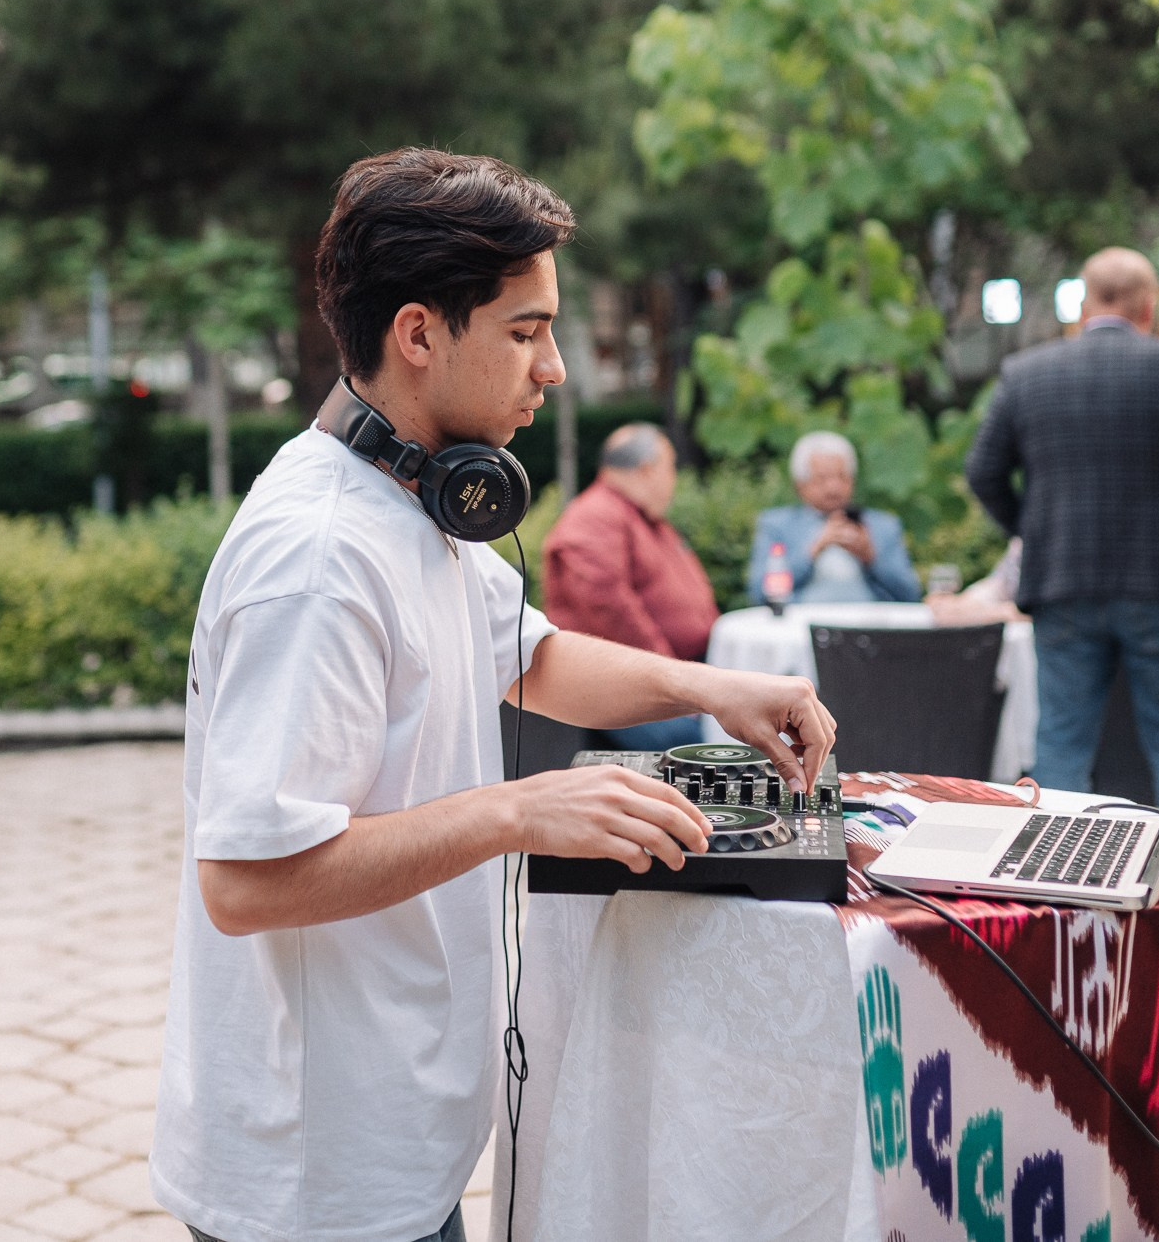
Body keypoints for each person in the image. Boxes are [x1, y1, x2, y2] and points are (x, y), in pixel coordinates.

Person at [151, 149, 834, 1242]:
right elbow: (246, 878)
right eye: (526, 332)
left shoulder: (412, 496)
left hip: (387, 1143)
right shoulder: (319, 560)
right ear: (419, 334)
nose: (553, 368)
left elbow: (531, 654)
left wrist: (718, 687)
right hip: (314, 1179)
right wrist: (518, 810)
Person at [963, 246, 1159, 799]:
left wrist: (1034, 533)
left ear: (1083, 305)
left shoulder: (1027, 373)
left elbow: (983, 471)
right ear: (1150, 307)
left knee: (1061, 742)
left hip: (1063, 584)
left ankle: (1055, 854)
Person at [540, 422, 719, 748]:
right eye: (671, 468)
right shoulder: (595, 515)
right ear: (648, 469)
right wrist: (674, 676)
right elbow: (608, 607)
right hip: (617, 681)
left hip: (661, 671)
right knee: (696, 743)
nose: (673, 480)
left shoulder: (635, 514)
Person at [744, 431, 922, 606]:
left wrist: (871, 557)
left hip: (870, 622)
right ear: (799, 485)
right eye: (822, 478)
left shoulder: (883, 526)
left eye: (842, 477)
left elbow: (911, 594)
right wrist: (814, 550)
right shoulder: (776, 525)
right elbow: (759, 593)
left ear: (853, 481)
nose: (833, 488)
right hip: (802, 622)